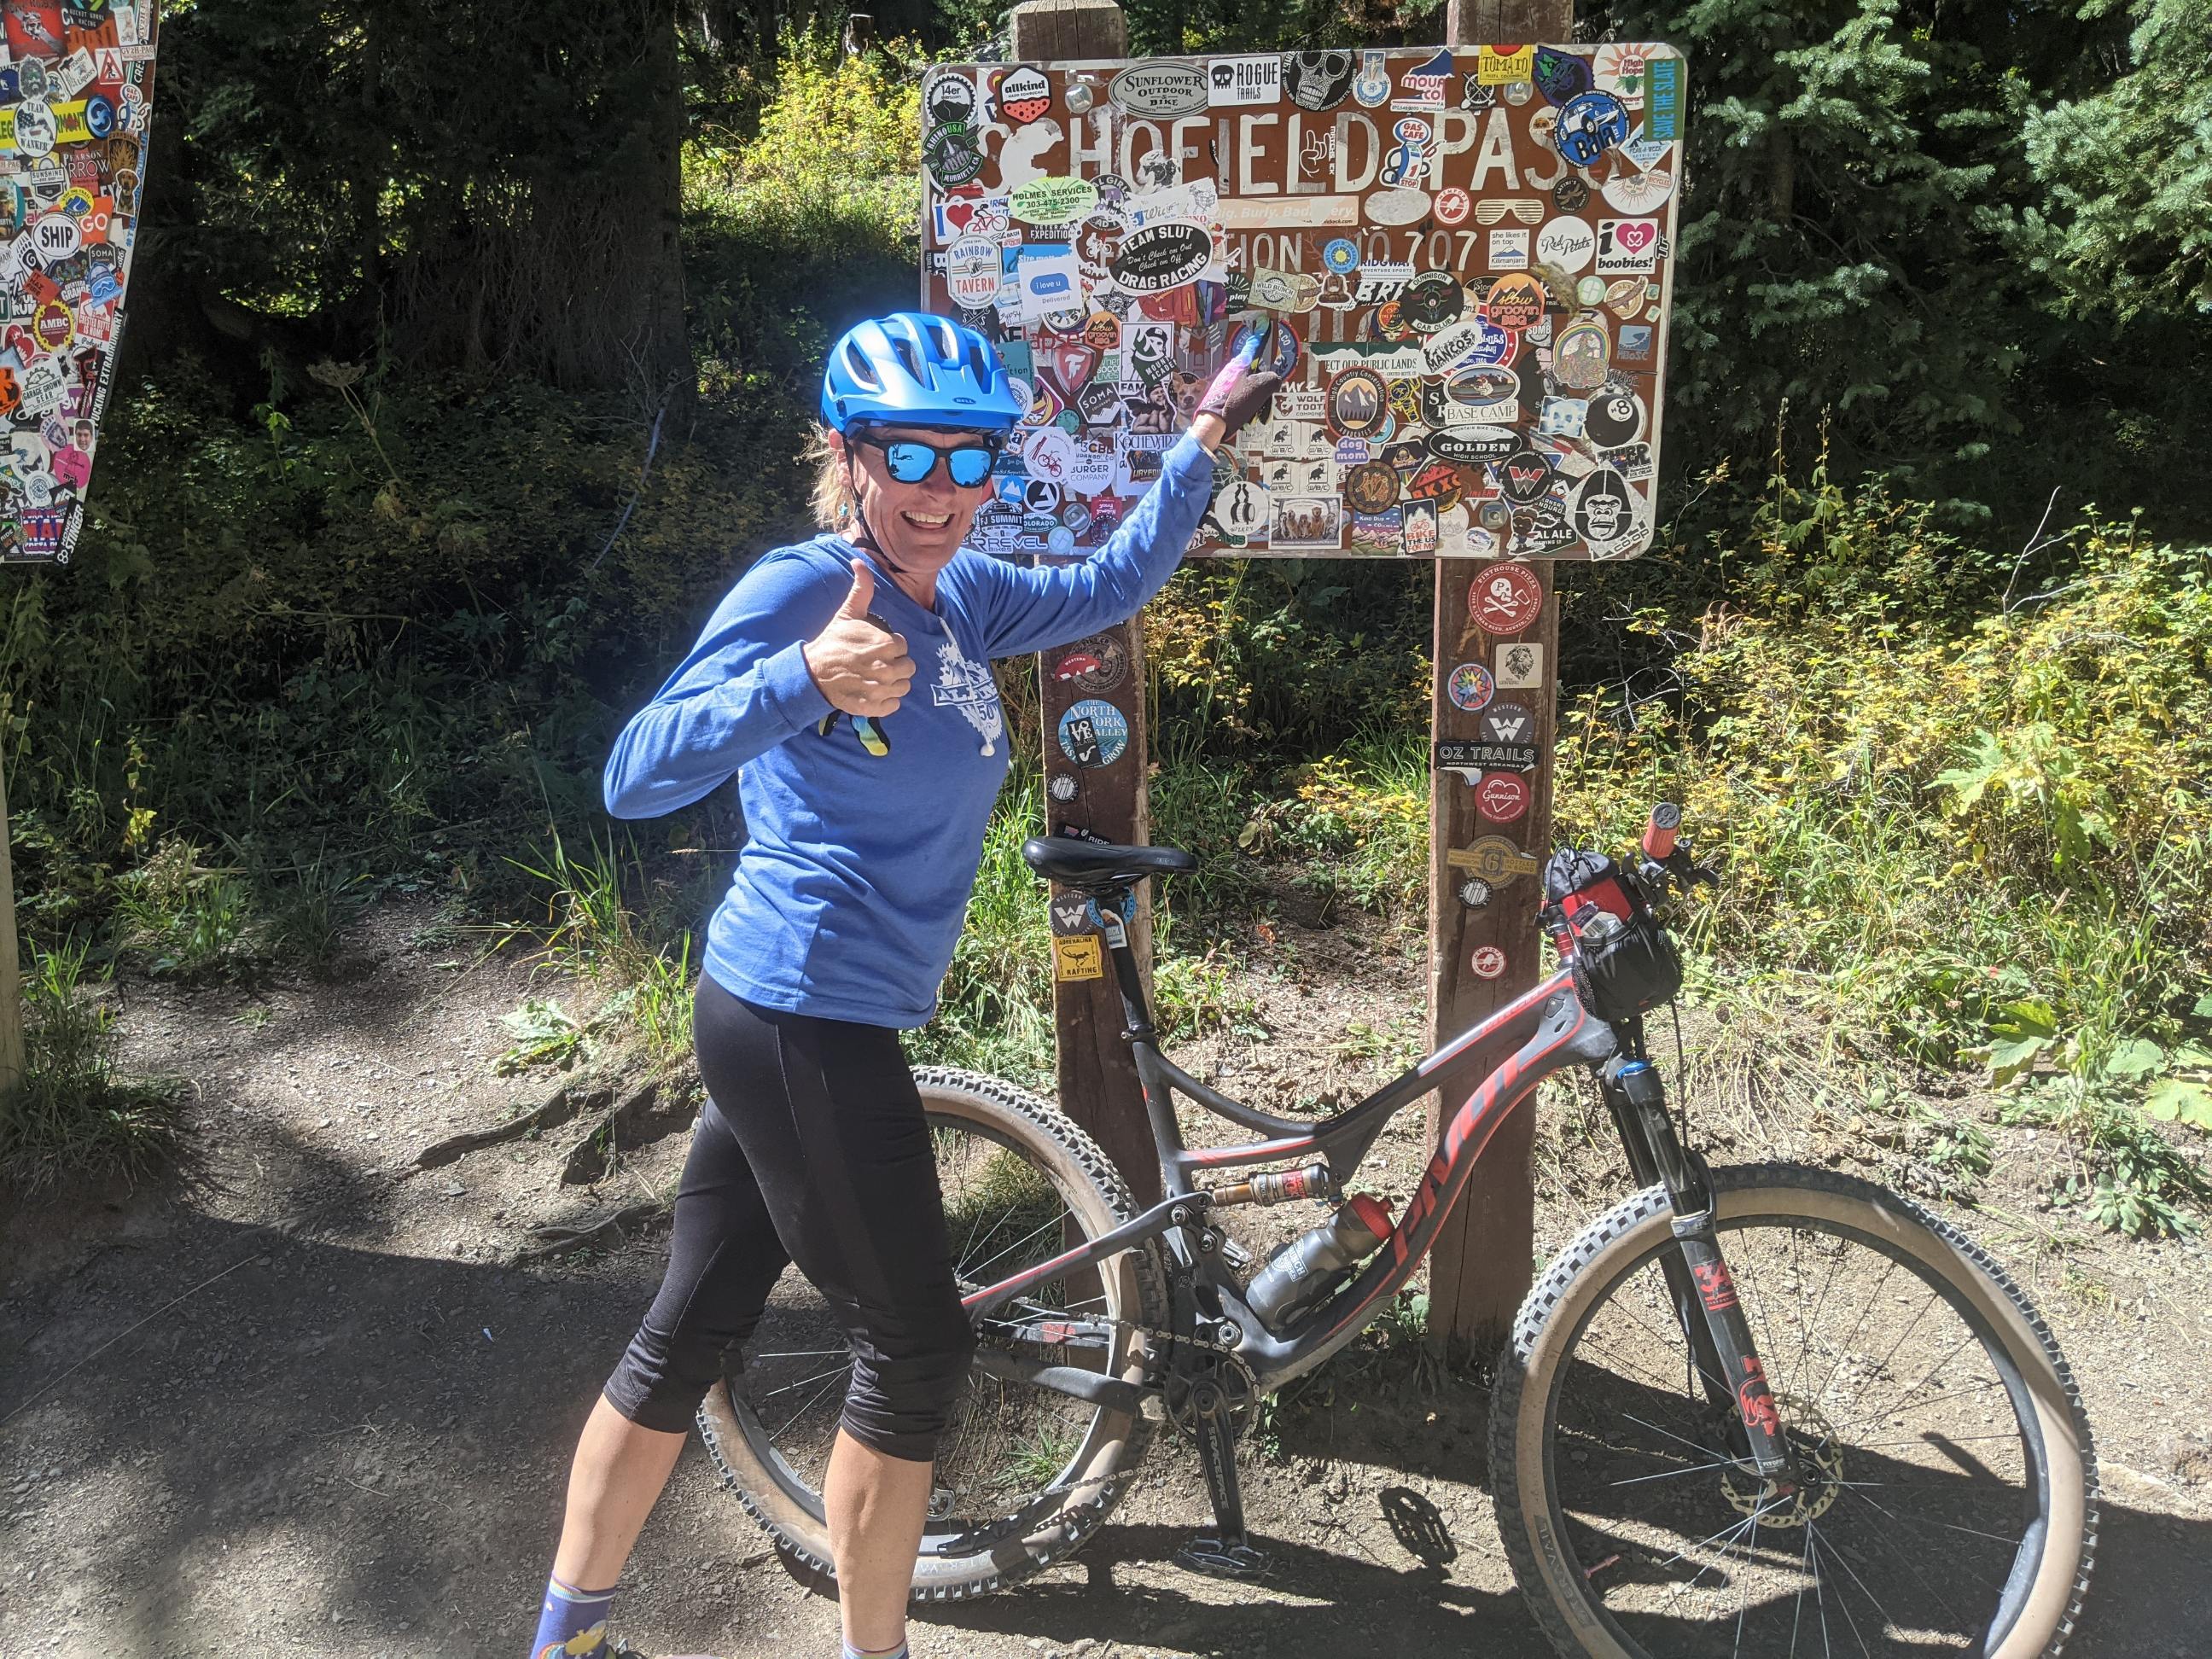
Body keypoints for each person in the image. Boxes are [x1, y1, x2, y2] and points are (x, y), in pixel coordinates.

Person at [529, 311, 1279, 1659]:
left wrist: (1206, 435)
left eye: (971, 458)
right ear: (848, 454)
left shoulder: (967, 594)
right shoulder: (809, 587)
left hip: (799, 1015)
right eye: (909, 457)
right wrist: (797, 678)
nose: (941, 492)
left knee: (689, 1328)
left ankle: (563, 1642)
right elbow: (634, 773)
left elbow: (1110, 582)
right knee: (917, 1353)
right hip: (796, 1016)